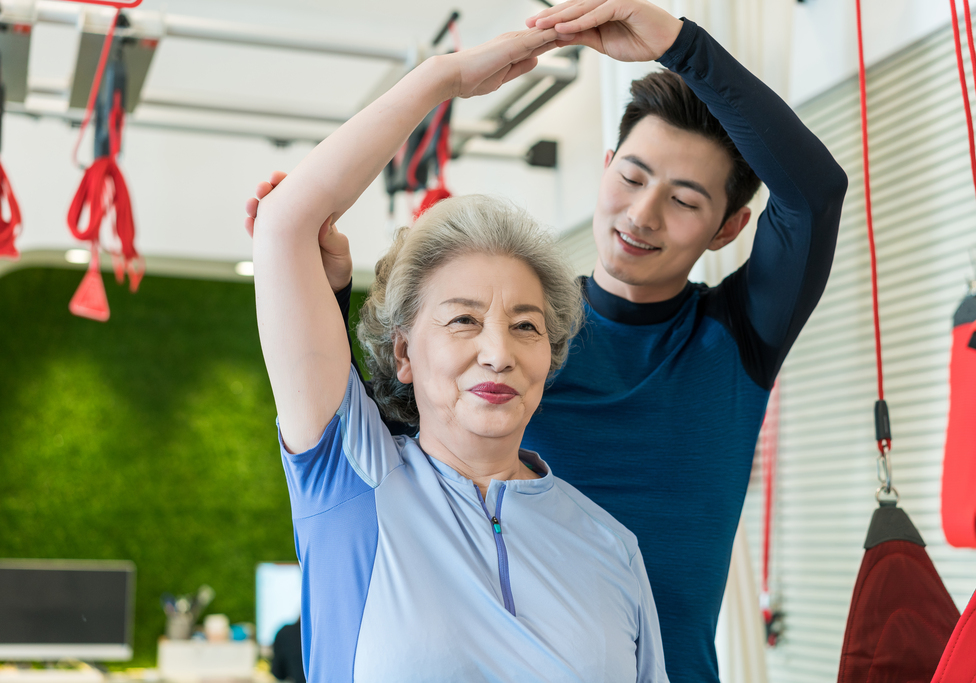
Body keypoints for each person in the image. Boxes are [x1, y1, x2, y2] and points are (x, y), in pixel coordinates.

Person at [247, 1, 848, 679]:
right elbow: (381, 422)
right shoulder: (517, 340)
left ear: (728, 228)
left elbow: (815, 195)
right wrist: (318, 289)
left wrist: (678, 44)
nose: (641, 214)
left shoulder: (732, 338)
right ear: (604, 164)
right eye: (631, 176)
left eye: (683, 201)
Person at [252, 25, 668, 683]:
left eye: (526, 326)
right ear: (405, 352)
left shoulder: (611, 546)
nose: (497, 352)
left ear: (549, 356)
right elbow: (284, 223)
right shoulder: (355, 478)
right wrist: (445, 79)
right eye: (463, 320)